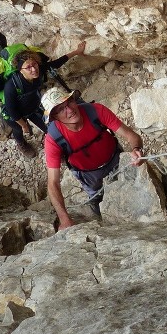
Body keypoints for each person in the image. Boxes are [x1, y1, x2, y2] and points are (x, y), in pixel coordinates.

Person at [41, 88, 144, 229]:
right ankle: (100, 212)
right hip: (88, 174)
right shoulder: (53, 139)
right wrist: (64, 219)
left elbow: (131, 136)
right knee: (96, 196)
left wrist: (136, 149)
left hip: (115, 159)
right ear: (54, 117)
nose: (70, 110)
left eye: (69, 102)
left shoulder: (95, 111)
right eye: (61, 109)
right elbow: (53, 183)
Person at [1, 41, 88, 157]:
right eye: (28, 67)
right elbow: (12, 111)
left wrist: (77, 52)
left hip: (33, 107)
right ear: (20, 70)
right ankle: (21, 144)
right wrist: (24, 125)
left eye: (34, 64)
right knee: (18, 130)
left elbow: (57, 63)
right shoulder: (11, 86)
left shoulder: (40, 70)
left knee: (51, 129)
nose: (33, 69)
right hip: (15, 116)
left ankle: (62, 149)